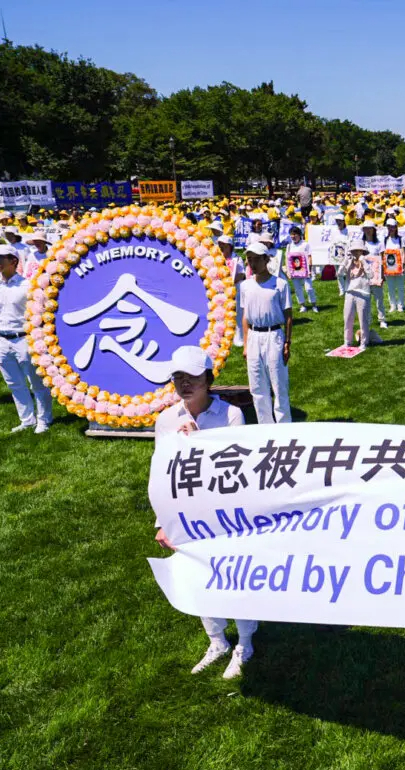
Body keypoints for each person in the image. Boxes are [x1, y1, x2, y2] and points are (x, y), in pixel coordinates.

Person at [153, 345, 258, 679]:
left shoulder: (230, 416)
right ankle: (216, 640)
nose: (184, 383)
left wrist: (201, 446)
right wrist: (163, 521)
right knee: (198, 575)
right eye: (177, 377)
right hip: (187, 513)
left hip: (225, 512)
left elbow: (238, 469)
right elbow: (162, 473)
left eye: (192, 376)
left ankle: (244, 642)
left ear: (208, 378)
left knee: (234, 574)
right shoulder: (166, 419)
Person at [0, 244, 53, 432]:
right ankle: (27, 420)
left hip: (24, 340)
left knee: (37, 382)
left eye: (0, 258)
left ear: (13, 261)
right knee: (14, 383)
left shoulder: (28, 286)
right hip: (1, 340)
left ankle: (44, 419)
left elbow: (39, 315)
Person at [240, 241, 293, 424]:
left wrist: (287, 342)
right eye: (249, 260)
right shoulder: (245, 286)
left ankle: (284, 426)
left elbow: (288, 315)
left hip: (274, 336)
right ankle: (265, 426)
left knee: (278, 384)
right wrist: (246, 344)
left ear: (266, 259)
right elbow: (245, 316)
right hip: (254, 337)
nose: (252, 264)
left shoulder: (279, 284)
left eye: (256, 259)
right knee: (257, 386)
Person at [338, 243, 373, 347]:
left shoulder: (366, 262)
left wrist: (363, 261)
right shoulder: (349, 263)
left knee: (363, 320)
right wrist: (345, 261)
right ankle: (347, 341)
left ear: (362, 252)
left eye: (358, 250)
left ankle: (364, 342)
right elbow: (339, 273)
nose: (356, 253)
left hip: (363, 294)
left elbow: (371, 275)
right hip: (350, 293)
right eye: (353, 251)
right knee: (347, 318)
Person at [284, 226, 317, 313]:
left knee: (309, 288)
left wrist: (309, 270)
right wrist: (288, 271)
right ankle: (302, 306)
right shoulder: (289, 246)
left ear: (299, 235)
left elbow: (309, 257)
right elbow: (287, 259)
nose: (293, 236)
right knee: (298, 289)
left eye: (294, 234)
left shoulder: (305, 244)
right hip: (294, 272)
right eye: (291, 235)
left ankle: (314, 305)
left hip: (305, 271)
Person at [381, 218, 405, 312]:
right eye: (389, 227)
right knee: (390, 287)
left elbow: (403, 253)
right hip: (388, 268)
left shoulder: (400, 239)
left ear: (396, 228)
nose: (390, 229)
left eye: (392, 227)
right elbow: (383, 254)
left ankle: (400, 305)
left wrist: (403, 266)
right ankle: (392, 305)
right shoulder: (385, 240)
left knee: (400, 287)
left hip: (399, 268)